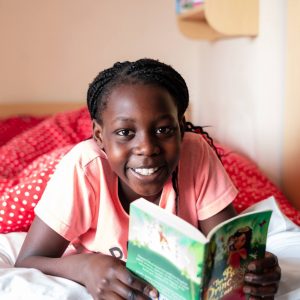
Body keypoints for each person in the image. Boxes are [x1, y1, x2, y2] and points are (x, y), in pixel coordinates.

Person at [15, 58, 281, 299]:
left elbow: (228, 251)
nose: (147, 147)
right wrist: (86, 267)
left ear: (181, 127)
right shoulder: (86, 168)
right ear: (99, 135)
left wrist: (255, 273)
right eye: (125, 132)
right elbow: (27, 261)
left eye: (164, 129)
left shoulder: (196, 152)